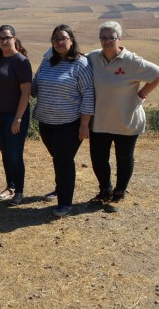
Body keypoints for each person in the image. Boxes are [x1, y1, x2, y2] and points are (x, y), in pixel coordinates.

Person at [87, 21, 159, 212]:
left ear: (119, 39)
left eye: (111, 38)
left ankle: (119, 192)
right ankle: (105, 190)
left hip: (126, 119)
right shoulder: (93, 57)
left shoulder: (132, 61)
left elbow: (158, 73)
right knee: (98, 158)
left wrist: (142, 94)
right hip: (100, 120)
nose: (106, 41)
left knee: (124, 157)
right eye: (103, 38)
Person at [32, 24, 94, 217]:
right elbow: (35, 84)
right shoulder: (47, 61)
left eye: (63, 38)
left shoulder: (80, 63)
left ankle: (65, 202)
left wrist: (84, 124)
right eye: (56, 38)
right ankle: (60, 190)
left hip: (70, 124)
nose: (59, 42)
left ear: (71, 40)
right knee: (58, 158)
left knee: (64, 160)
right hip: (46, 122)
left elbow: (88, 93)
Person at [0, 25, 33, 206]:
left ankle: (19, 191)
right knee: (6, 153)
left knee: (15, 155)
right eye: (0, 38)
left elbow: (26, 93)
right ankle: (10, 186)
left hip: (15, 116)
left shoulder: (21, 62)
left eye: (7, 37)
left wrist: (18, 119)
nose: (4, 41)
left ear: (14, 38)